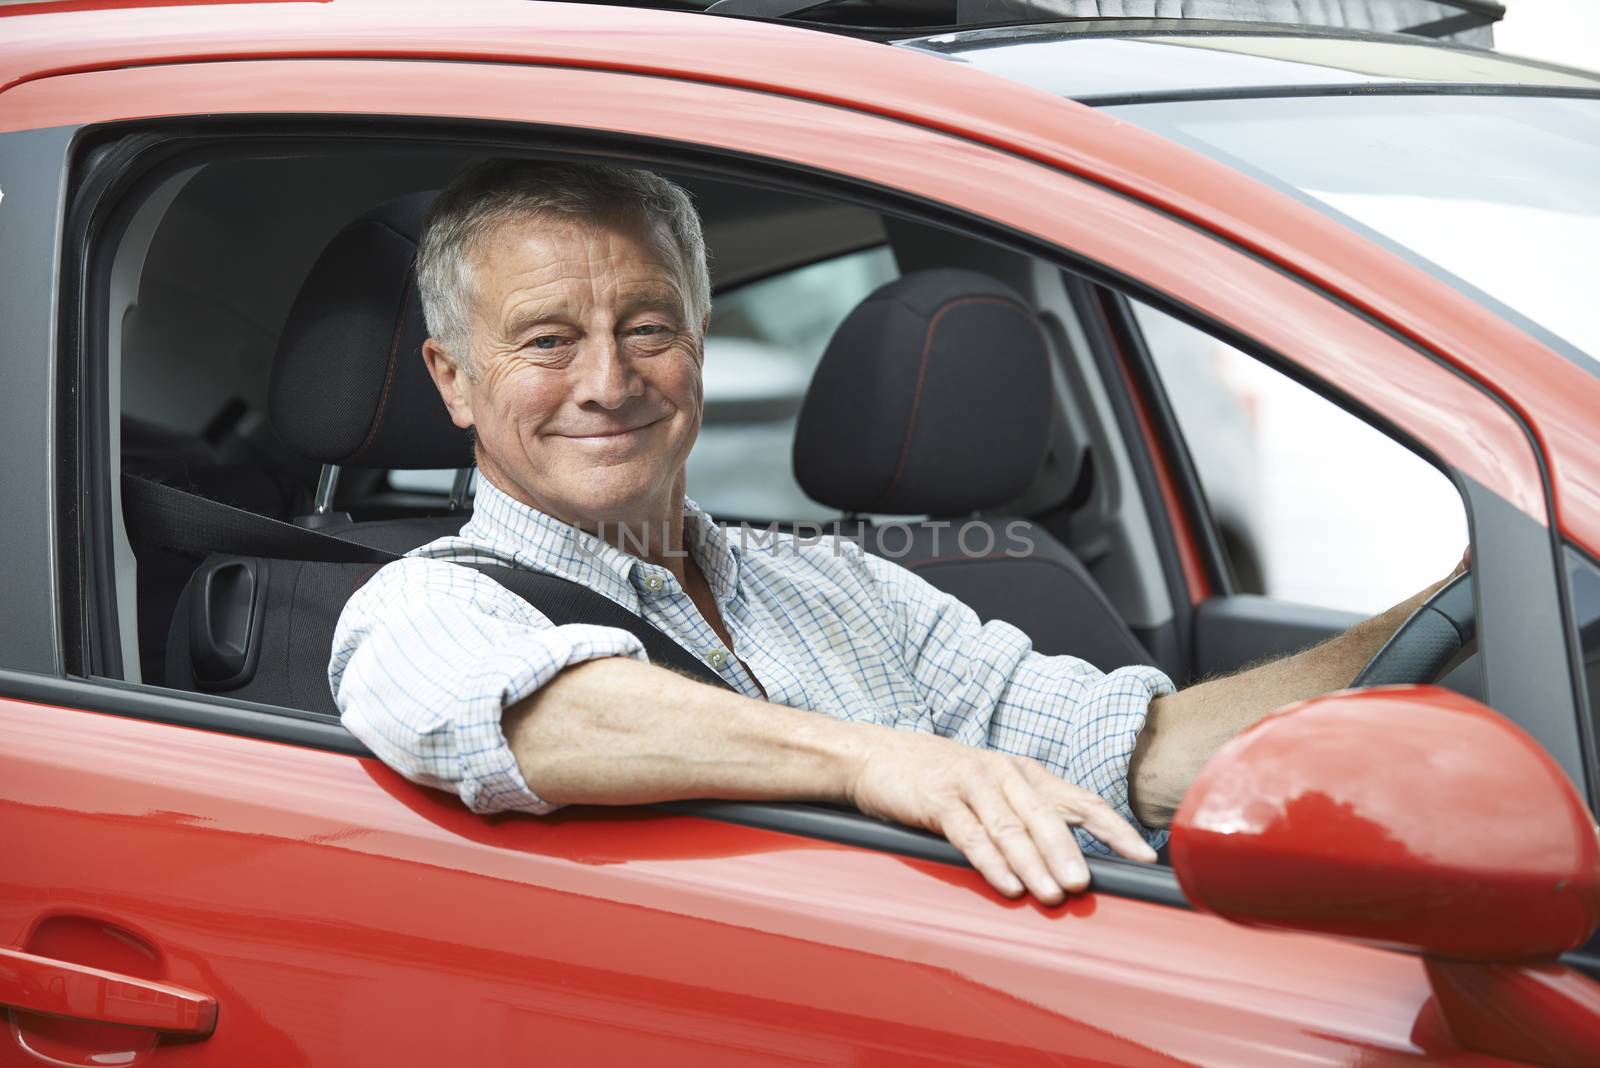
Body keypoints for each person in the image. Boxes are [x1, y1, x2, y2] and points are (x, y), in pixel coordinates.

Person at [331, 160, 1464, 904]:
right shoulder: (424, 604)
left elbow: (1128, 747)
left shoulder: (843, 585)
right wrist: (883, 762)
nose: (609, 379)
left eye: (647, 326)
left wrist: (1460, 610)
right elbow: (529, 715)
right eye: (544, 341)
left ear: (701, 343)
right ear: (456, 380)